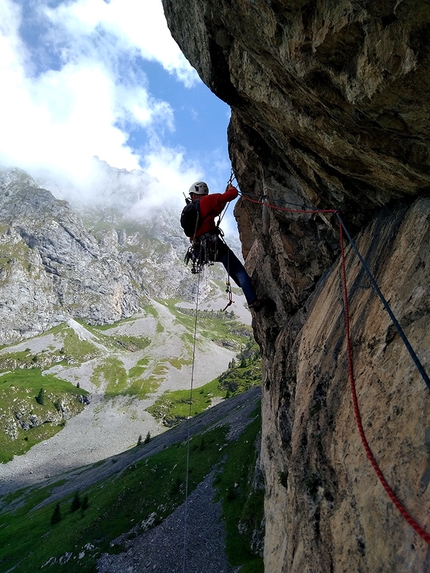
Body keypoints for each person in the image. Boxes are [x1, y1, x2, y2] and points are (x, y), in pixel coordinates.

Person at [187, 180, 267, 311]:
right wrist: (230, 189)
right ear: (203, 192)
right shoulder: (206, 201)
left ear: (193, 194)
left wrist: (225, 193)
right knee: (239, 270)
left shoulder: (192, 210)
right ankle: (255, 302)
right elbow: (233, 194)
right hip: (214, 245)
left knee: (231, 266)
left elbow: (217, 209)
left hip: (201, 250)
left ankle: (243, 284)